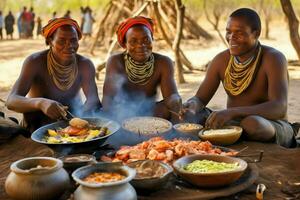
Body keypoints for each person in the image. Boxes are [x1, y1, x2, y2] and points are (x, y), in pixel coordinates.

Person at [182, 8, 295, 148]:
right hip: (233, 125)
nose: (231, 37)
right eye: (228, 32)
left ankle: (230, 137)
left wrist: (233, 112)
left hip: (270, 126)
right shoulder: (221, 60)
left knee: (252, 124)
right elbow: (200, 99)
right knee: (191, 118)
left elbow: (279, 107)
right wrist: (191, 105)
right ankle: (231, 136)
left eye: (239, 33)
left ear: (256, 33)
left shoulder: (273, 58)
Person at [6, 17, 102, 133]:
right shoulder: (35, 62)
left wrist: (81, 119)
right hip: (37, 127)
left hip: (72, 126)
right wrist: (41, 103)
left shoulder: (85, 65)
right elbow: (11, 101)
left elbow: (93, 99)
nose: (69, 45)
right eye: (62, 41)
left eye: (73, 40)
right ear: (50, 41)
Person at [102, 16, 182, 122]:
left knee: (171, 109)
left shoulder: (163, 62)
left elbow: (171, 96)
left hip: (151, 113)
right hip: (123, 114)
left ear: (152, 39)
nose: (141, 45)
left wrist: (175, 101)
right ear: (125, 44)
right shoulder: (115, 62)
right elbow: (108, 99)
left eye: (146, 40)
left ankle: (175, 134)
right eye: (133, 41)